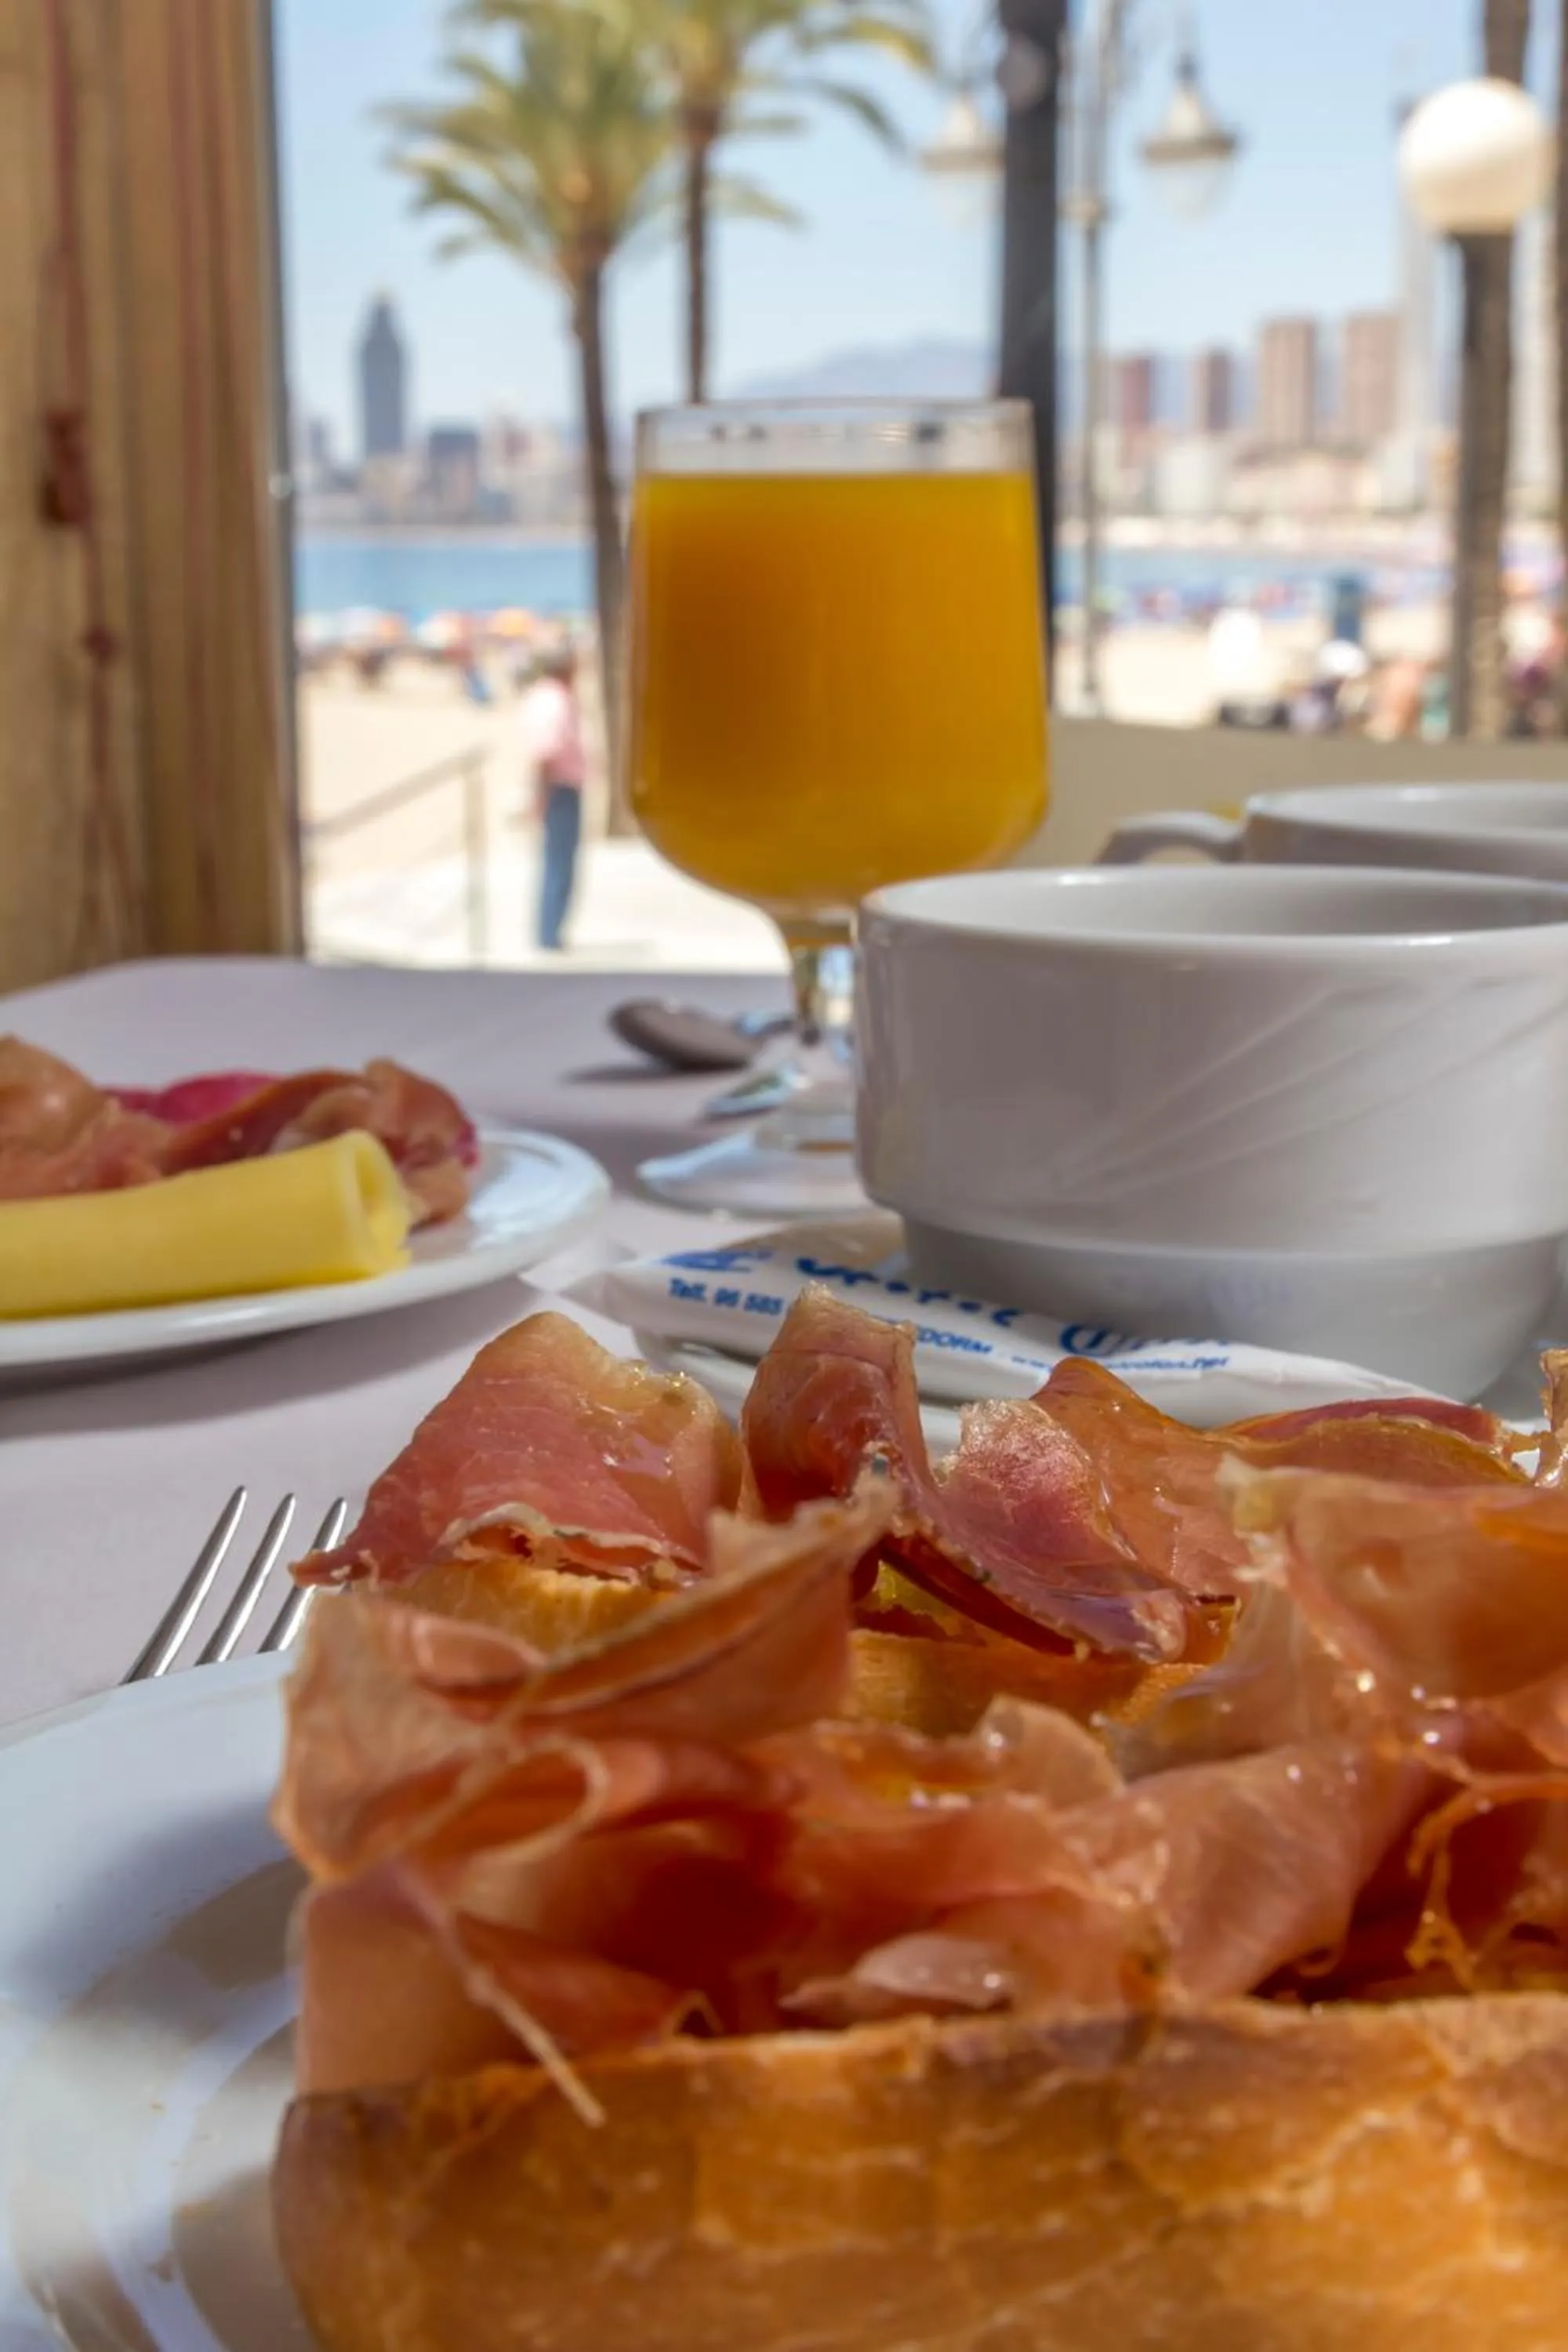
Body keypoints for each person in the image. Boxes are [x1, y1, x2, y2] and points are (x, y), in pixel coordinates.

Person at [517, 641, 586, 951]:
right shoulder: (554, 699)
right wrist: (541, 796)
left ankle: (550, 932)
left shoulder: (543, 696)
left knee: (557, 861)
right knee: (559, 862)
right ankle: (549, 934)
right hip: (559, 789)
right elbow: (546, 752)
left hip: (557, 787)